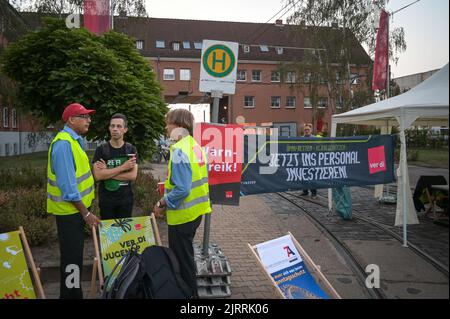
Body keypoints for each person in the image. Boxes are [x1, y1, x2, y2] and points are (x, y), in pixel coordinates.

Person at [153, 109, 211, 298]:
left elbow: (183, 189)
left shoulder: (178, 150)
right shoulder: (193, 145)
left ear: (178, 126)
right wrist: (167, 186)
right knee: (186, 258)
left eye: (168, 124)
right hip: (196, 212)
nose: (166, 128)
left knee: (183, 262)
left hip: (182, 216)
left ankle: (189, 296)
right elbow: (191, 179)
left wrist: (162, 202)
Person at [47, 103, 100, 299]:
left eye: (88, 116)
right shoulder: (63, 144)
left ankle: (72, 294)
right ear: (71, 119)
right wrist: (85, 213)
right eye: (84, 116)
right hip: (70, 213)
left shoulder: (74, 141)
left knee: (75, 259)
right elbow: (69, 189)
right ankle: (71, 296)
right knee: (71, 260)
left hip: (75, 212)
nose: (89, 120)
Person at [92, 113, 138, 220]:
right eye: (112, 126)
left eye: (119, 126)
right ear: (109, 128)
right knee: (109, 235)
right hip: (107, 201)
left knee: (124, 234)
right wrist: (123, 167)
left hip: (126, 200)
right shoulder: (101, 150)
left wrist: (107, 172)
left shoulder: (131, 149)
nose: (115, 129)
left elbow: (132, 176)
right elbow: (98, 176)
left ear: (125, 129)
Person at [301, 123, 318, 197]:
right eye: (305, 130)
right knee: (303, 176)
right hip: (303, 160)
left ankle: (313, 192)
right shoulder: (301, 139)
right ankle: (305, 191)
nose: (306, 131)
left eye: (308, 129)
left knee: (312, 177)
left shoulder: (315, 138)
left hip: (312, 161)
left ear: (311, 130)